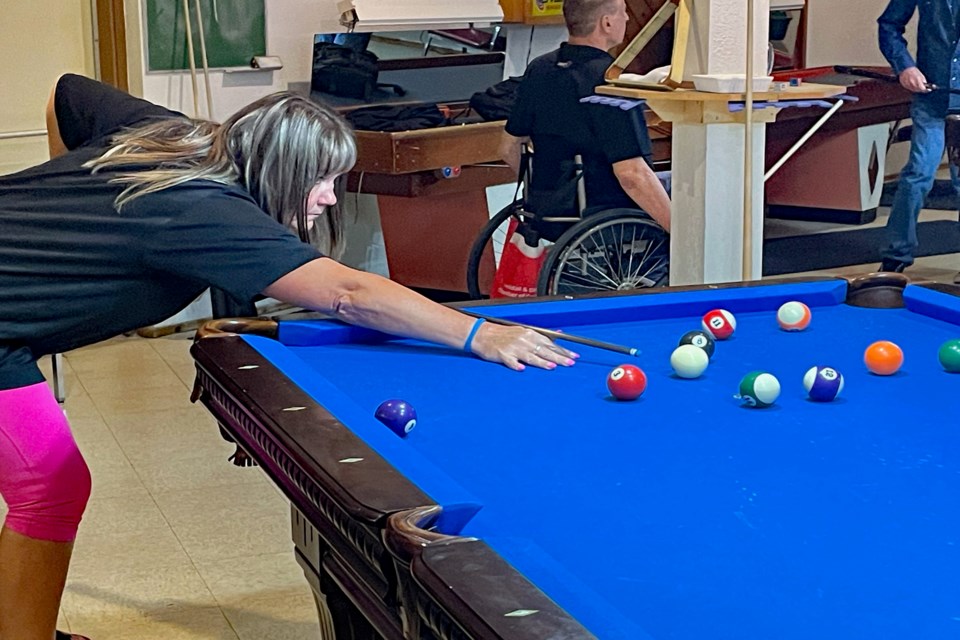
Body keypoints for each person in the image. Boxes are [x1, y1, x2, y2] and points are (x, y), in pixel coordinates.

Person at [0, 74, 577, 640]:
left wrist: (70, 222)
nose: (328, 198)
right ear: (282, 171)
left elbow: (66, 94)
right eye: (322, 181)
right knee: (51, 484)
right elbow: (349, 294)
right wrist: (479, 333)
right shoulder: (208, 210)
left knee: (51, 484)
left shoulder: (171, 135)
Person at [498, 0, 671, 237]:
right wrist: (679, 233)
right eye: (623, 12)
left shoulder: (539, 69)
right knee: (687, 190)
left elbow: (508, 147)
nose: (628, 19)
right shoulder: (610, 83)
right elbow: (631, 175)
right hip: (606, 212)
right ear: (607, 23)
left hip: (547, 210)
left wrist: (546, 189)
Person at [876, 0, 960, 282]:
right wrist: (905, 67)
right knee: (919, 173)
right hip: (932, 100)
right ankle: (895, 257)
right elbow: (888, 25)